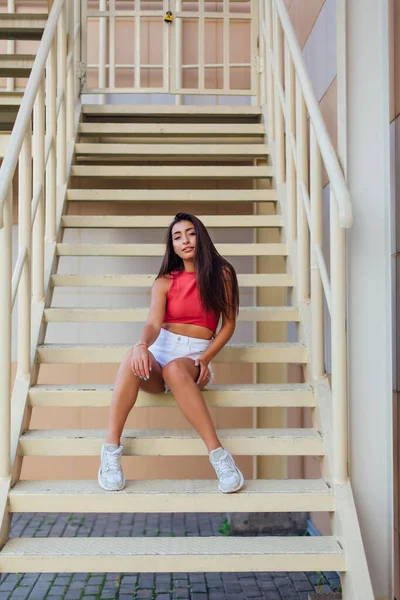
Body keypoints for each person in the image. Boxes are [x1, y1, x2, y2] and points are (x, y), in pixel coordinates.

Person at [98, 212, 244, 494]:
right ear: (173, 246)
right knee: (132, 357)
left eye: (190, 233)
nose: (185, 241)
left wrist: (206, 358)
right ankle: (111, 452)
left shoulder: (222, 274)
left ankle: (220, 457)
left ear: (200, 236)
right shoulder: (164, 281)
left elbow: (229, 324)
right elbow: (154, 323)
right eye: (177, 237)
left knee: (175, 370)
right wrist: (141, 345)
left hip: (194, 355)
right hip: (161, 347)